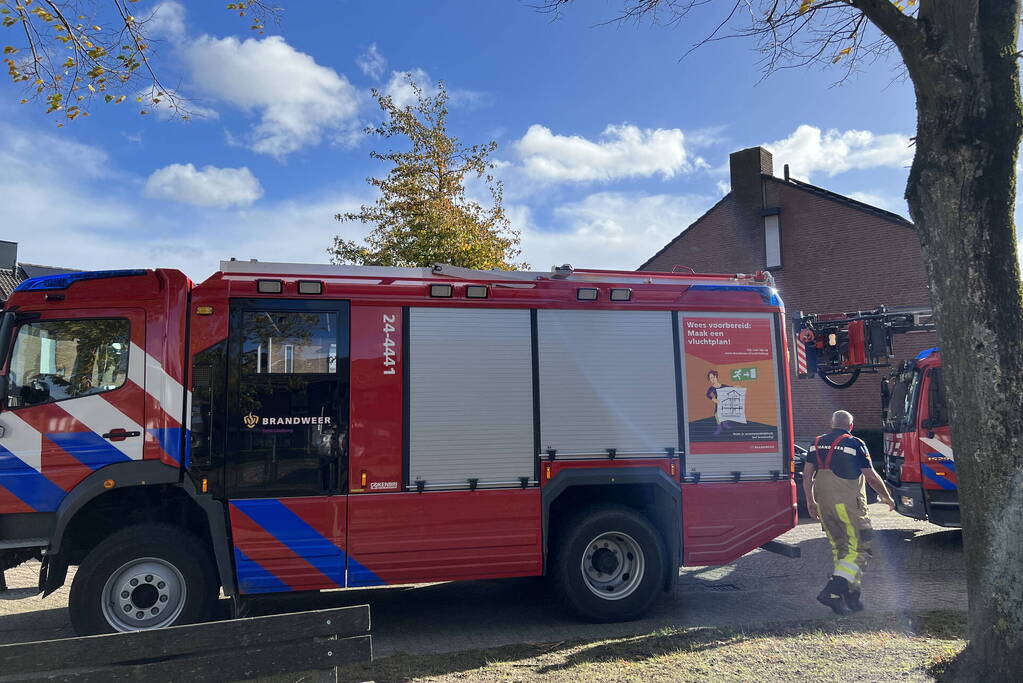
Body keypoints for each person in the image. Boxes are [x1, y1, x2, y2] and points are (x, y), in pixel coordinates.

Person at [803, 410, 895, 614]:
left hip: (823, 504)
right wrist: (886, 496)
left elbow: (807, 474)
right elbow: (870, 477)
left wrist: (810, 500)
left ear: (831, 423)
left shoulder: (816, 442)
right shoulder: (855, 443)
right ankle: (831, 591)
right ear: (850, 426)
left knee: (840, 549)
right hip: (847, 505)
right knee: (860, 549)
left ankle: (848, 597)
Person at [706, 370, 737, 436]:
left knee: (724, 413)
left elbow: (730, 388)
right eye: (710, 378)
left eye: (712, 377)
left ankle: (725, 425)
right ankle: (719, 428)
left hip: (725, 402)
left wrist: (735, 386)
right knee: (717, 414)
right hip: (718, 402)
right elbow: (707, 394)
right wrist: (713, 399)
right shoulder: (711, 388)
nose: (712, 379)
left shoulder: (722, 385)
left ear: (716, 376)